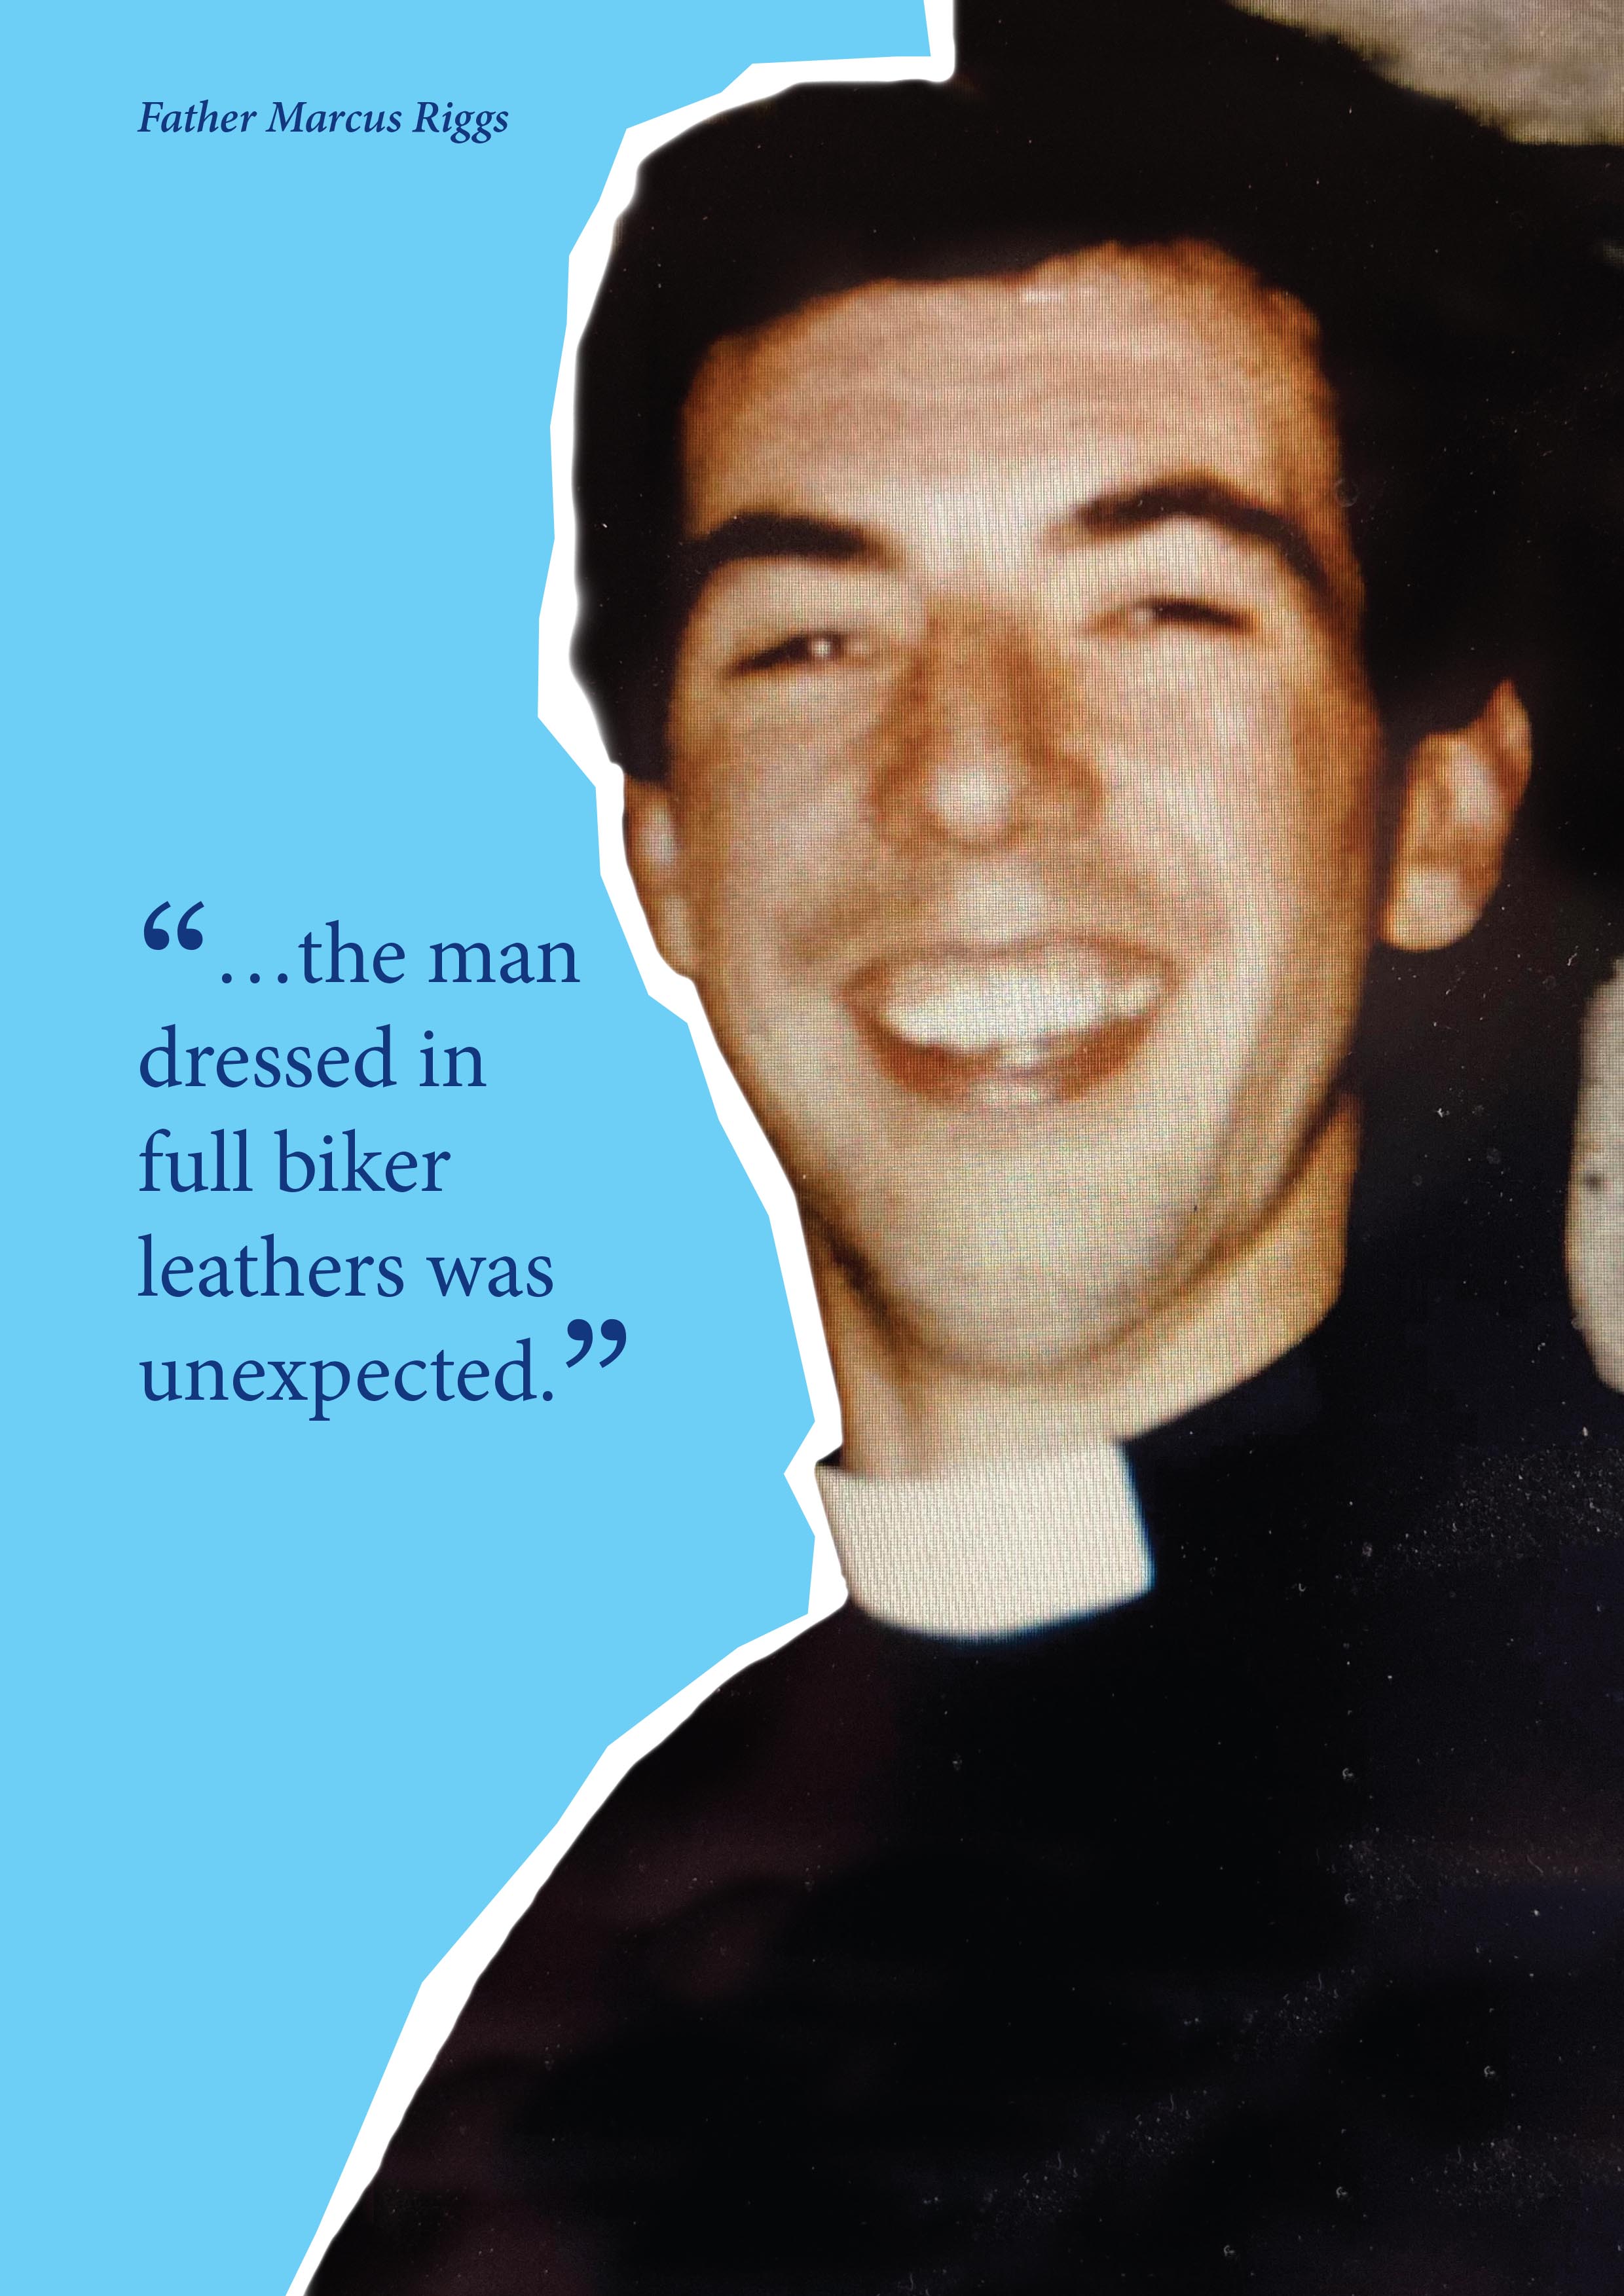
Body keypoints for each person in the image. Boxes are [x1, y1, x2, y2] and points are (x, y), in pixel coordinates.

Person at [310, 5, 1624, 2287]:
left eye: (1162, 610)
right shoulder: (670, 1863)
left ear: (1439, 815)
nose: (976, 782)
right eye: (815, 641)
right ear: (666, 859)